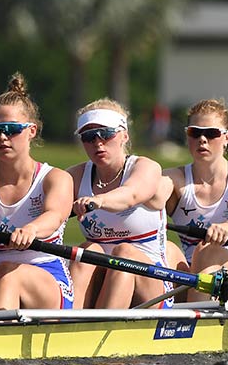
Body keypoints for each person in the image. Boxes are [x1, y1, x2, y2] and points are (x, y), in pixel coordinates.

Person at [0, 73, 75, 311]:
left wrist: (31, 229)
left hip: (48, 280)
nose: (2, 137)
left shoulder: (55, 178)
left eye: (11, 129)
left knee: (8, 273)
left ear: (31, 130)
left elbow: (54, 216)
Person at [66, 98, 175, 309]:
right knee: (88, 250)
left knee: (124, 252)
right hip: (103, 279)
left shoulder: (145, 167)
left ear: (124, 135)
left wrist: (99, 200)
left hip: (153, 286)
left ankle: (103, 327)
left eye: (106, 134)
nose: (98, 142)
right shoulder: (76, 175)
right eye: (88, 136)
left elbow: (131, 195)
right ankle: (65, 324)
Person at [165, 98, 228, 302]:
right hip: (193, 274)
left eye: (211, 133)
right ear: (187, 136)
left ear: (226, 137)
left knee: (209, 252)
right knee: (165, 249)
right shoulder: (172, 179)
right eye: (195, 132)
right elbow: (142, 194)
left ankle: (188, 326)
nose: (202, 139)